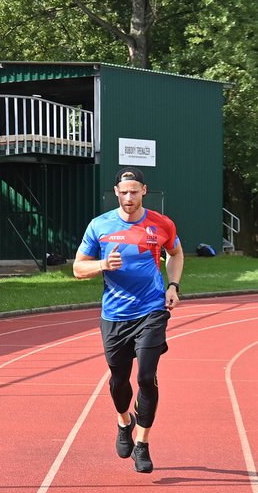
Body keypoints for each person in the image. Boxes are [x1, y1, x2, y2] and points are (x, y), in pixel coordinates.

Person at [74, 166, 183, 473]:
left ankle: (143, 444)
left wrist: (173, 286)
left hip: (151, 309)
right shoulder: (100, 226)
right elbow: (78, 268)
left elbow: (176, 254)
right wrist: (102, 264)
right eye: (124, 192)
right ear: (117, 193)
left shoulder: (161, 224)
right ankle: (124, 421)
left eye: (135, 191)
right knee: (118, 381)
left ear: (144, 192)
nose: (129, 197)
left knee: (146, 377)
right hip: (115, 316)